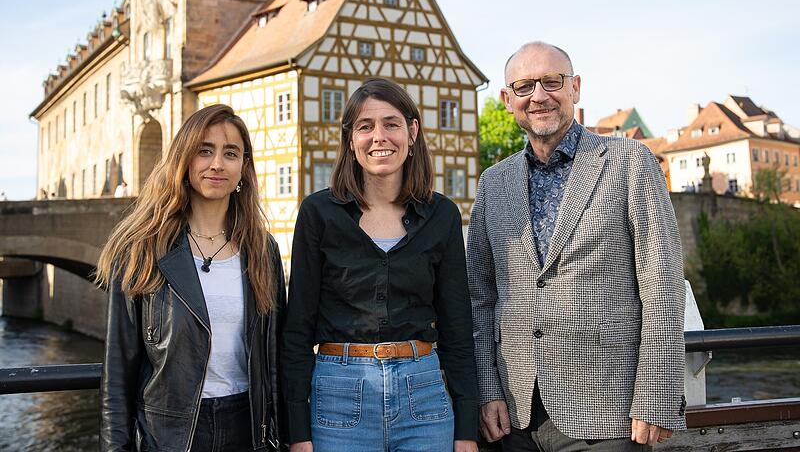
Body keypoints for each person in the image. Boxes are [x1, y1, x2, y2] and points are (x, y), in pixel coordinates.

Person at [467, 42, 686, 451]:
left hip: (608, 411)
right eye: (525, 86)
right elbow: (480, 297)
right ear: (507, 99)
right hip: (514, 414)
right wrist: (487, 389)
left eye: (552, 82)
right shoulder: (494, 183)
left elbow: (663, 283)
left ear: (575, 88)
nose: (539, 96)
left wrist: (655, 396)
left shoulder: (630, 161)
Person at [281, 77, 479, 452]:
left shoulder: (442, 215)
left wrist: (467, 427)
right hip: (339, 395)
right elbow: (298, 327)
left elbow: (458, 326)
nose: (379, 137)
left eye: (391, 124)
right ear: (350, 139)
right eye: (365, 126)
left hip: (423, 393)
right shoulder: (318, 213)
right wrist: (298, 431)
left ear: (412, 131)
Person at [95, 104, 286, 452]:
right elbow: (117, 374)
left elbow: (275, 359)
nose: (217, 164)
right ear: (184, 160)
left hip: (247, 428)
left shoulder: (262, 250)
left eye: (231, 153)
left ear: (244, 168)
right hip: (168, 434)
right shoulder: (141, 249)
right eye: (205, 150)